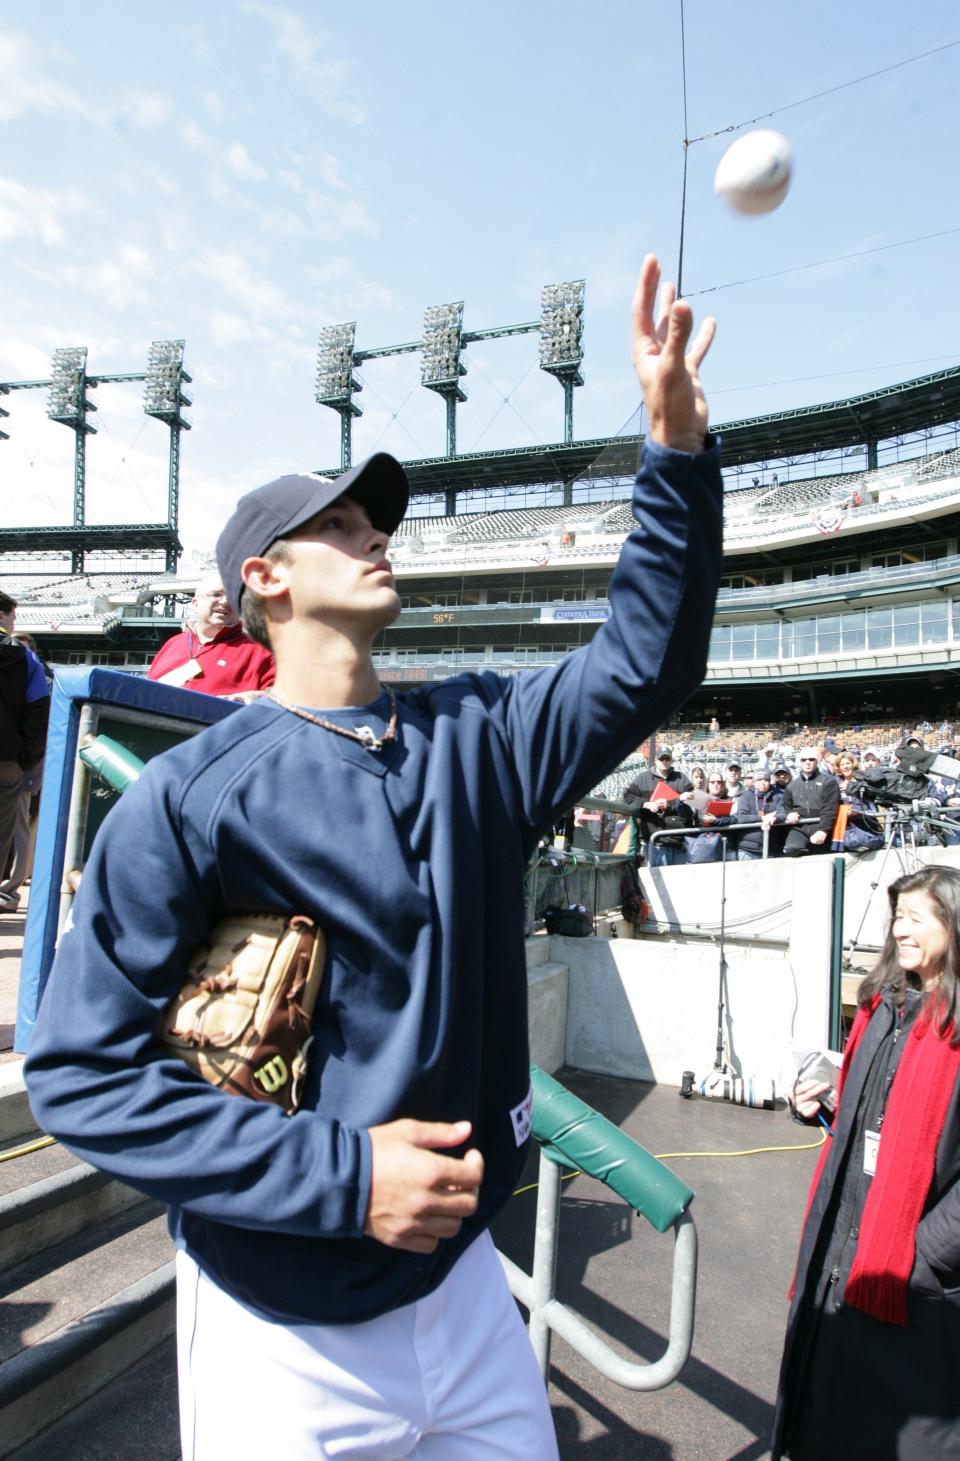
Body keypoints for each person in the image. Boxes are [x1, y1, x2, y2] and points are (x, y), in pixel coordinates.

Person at [25, 254, 723, 1458]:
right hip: (277, 1319)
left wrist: (673, 451)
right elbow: (79, 1075)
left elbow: (646, 659)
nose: (373, 538)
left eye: (375, 521)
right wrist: (338, 1176)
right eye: (338, 524)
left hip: (465, 1294)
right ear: (265, 579)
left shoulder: (480, 732)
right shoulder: (192, 796)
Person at [772, 866, 960, 1460]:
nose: (901, 931)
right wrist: (824, 1106)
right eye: (897, 917)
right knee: (829, 1416)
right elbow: (874, 1121)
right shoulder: (886, 1004)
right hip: (844, 1248)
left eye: (916, 918)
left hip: (912, 1277)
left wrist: (924, 1256)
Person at [146, 572, 275, 699]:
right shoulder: (173, 644)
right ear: (195, 603)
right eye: (216, 595)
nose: (225, 601)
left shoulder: (261, 650)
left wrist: (255, 698)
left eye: (231, 596)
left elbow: (284, 700)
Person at [0, 593, 50, 914]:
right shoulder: (25, 658)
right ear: (2, 616)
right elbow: (38, 709)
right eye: (13, 617)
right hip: (7, 760)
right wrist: (27, 757)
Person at [623, 747, 695, 866]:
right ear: (656, 760)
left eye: (667, 758)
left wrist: (671, 804)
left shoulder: (681, 778)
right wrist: (646, 803)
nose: (665, 761)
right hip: (654, 840)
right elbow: (628, 796)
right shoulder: (643, 778)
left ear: (671, 760)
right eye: (662, 758)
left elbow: (693, 802)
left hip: (678, 839)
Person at [780, 748, 840, 857]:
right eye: (804, 760)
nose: (807, 762)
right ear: (800, 762)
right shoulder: (792, 785)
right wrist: (789, 813)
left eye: (811, 759)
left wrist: (824, 830)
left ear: (816, 762)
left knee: (822, 857)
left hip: (821, 826)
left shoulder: (828, 782)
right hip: (800, 828)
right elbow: (786, 805)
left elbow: (830, 809)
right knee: (791, 850)